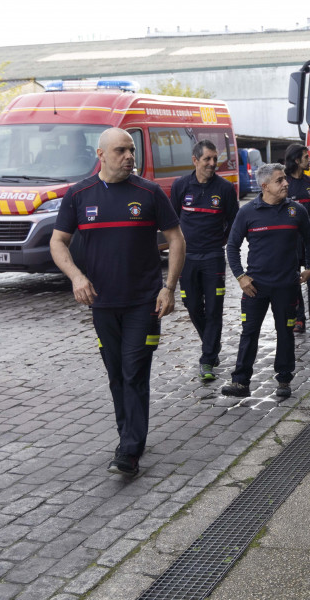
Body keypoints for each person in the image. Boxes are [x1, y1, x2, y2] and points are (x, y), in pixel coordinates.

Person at [50, 127, 186, 477]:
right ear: (101, 155)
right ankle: (128, 435)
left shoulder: (150, 192)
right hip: (103, 304)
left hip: (144, 302)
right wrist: (77, 277)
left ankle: (129, 449)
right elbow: (58, 242)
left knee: (134, 371)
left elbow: (176, 239)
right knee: (116, 375)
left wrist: (168, 287)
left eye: (131, 151)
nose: (129, 157)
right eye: (121, 151)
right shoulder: (79, 195)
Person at [222, 163, 310, 399]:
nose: (286, 183)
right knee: (249, 333)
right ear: (264, 186)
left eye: (285, 179)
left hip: (287, 286)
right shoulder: (247, 212)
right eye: (280, 180)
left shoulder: (296, 211)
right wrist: (240, 276)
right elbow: (232, 247)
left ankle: (284, 380)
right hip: (255, 287)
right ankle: (240, 382)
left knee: (285, 333)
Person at [170, 139, 239, 382]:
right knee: (192, 306)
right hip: (186, 259)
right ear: (195, 160)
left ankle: (207, 358)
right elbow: (172, 222)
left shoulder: (225, 189)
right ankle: (212, 343)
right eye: (207, 159)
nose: (212, 163)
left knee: (214, 309)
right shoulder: (180, 186)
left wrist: (223, 242)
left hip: (213, 258)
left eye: (214, 159)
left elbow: (235, 223)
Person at [284, 143, 310, 335]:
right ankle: (298, 318)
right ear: (296, 160)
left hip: (309, 241)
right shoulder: (283, 183)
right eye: (306, 158)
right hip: (290, 241)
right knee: (293, 279)